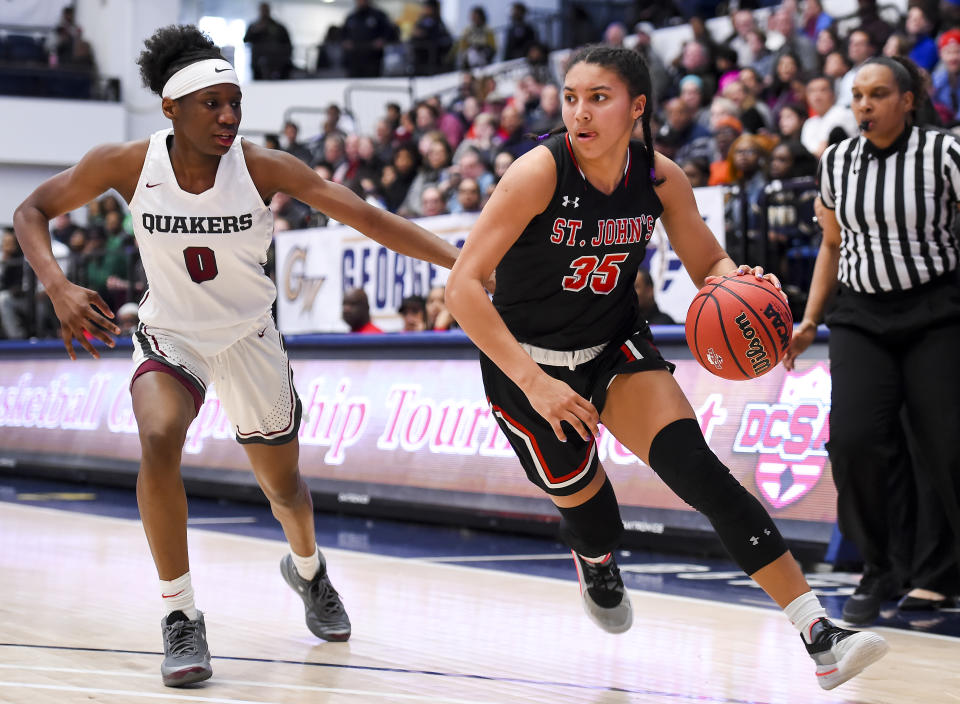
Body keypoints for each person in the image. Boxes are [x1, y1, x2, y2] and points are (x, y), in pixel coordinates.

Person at [12, 25, 462, 687]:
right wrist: (57, 285)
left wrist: (464, 261)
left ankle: (308, 572)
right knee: (158, 437)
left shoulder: (262, 167)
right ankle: (180, 616)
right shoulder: (129, 163)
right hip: (172, 336)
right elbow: (31, 209)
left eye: (235, 102)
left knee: (284, 489)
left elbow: (365, 217)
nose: (228, 116)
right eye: (211, 103)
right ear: (171, 108)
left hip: (251, 339)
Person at [445, 45, 888, 691]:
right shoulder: (538, 172)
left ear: (638, 106)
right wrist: (536, 385)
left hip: (613, 346)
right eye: (571, 97)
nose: (581, 112)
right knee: (597, 519)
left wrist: (743, 280)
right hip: (526, 367)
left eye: (599, 97)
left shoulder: (659, 179)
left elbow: (709, 261)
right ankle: (594, 556)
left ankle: (820, 632)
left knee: (701, 473)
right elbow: (463, 288)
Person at [784, 56, 960, 624]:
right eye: (857, 95)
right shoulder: (835, 161)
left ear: (906, 100)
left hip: (936, 310)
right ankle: (879, 567)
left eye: (878, 94)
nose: (864, 104)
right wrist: (809, 320)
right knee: (855, 442)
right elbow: (832, 246)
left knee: (945, 446)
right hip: (861, 315)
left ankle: (938, 574)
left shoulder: (944, 154)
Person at [340, 0, 397, 78]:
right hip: (354, 59)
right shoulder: (351, 17)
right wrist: (345, 42)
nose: (360, 2)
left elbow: (390, 32)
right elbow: (343, 34)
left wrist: (382, 40)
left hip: (373, 59)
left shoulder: (379, 15)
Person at [243, 3, 292, 80]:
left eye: (266, 10)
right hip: (257, 62)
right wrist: (255, 31)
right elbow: (246, 40)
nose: (264, 12)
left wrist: (284, 60)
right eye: (263, 10)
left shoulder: (278, 27)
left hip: (276, 63)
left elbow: (287, 44)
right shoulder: (254, 26)